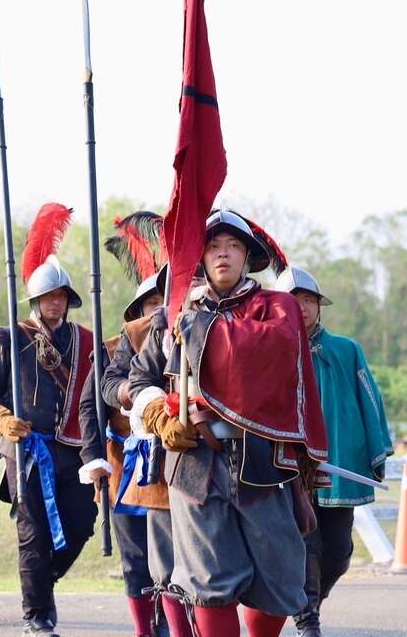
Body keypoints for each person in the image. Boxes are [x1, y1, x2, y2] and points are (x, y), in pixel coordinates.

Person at [128, 209, 329, 637]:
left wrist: (202, 327)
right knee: (209, 584)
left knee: (279, 579)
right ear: (199, 257)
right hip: (194, 463)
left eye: (232, 246)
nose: (222, 254)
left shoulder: (276, 307)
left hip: (262, 464)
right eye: (213, 246)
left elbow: (269, 350)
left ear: (245, 256)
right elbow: (138, 379)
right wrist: (158, 413)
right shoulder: (174, 315)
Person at [0, 253, 97, 637]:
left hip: (75, 449)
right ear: (36, 300)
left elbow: (99, 394)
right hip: (25, 450)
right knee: (33, 534)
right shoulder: (10, 338)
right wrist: (0, 418)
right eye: (48, 295)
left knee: (82, 524)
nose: (55, 302)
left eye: (61, 295)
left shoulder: (86, 341)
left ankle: (43, 583)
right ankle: (36, 614)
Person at [275, 266, 394, 637]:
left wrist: (375, 451)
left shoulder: (346, 349)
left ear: (319, 306)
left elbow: (369, 401)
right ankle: (307, 620)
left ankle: (309, 601)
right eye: (294, 301)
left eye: (309, 300)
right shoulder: (269, 351)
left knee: (339, 553)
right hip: (292, 465)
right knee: (306, 545)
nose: (303, 307)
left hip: (338, 462)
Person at [80, 273, 179, 637]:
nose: (157, 311)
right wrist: (95, 460)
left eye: (162, 302)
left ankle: (172, 623)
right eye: (151, 305)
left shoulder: (184, 335)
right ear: (139, 311)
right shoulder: (110, 351)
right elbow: (90, 407)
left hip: (174, 462)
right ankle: (144, 629)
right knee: (136, 558)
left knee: (174, 558)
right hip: (125, 465)